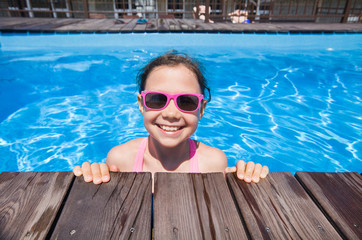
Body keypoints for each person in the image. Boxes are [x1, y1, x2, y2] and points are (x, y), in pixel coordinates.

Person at [73, 52, 268, 186]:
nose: (171, 113)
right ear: (141, 104)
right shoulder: (120, 158)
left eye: (187, 101)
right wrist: (95, 173)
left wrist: (248, 176)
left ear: (201, 109)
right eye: (157, 99)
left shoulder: (213, 162)